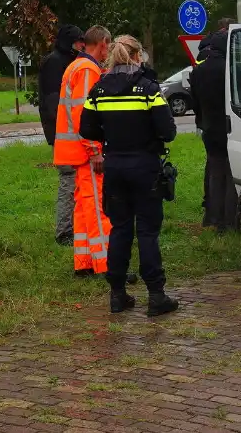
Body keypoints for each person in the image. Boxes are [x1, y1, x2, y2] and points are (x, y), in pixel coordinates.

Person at [80, 35, 179, 316]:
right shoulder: (148, 89)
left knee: (120, 230)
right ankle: (156, 296)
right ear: (137, 57)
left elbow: (87, 129)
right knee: (147, 232)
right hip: (145, 167)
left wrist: (111, 136)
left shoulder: (98, 90)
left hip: (114, 168)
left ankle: (118, 294)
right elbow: (168, 131)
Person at [54, 25, 112, 276]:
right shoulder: (88, 69)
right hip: (85, 151)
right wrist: (94, 150)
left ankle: (84, 262)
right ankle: (105, 265)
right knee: (97, 207)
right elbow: (83, 115)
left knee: (82, 207)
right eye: (107, 46)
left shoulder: (75, 66)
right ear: (103, 43)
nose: (108, 51)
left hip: (74, 151)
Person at [38, 24, 85, 245]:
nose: (81, 45)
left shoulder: (67, 61)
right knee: (68, 179)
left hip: (67, 131)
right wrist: (64, 130)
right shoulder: (55, 62)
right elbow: (53, 102)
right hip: (63, 133)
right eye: (78, 41)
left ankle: (73, 226)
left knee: (75, 180)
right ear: (69, 41)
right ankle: (64, 231)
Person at [190, 27, 239, 230]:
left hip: (209, 128)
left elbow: (194, 102)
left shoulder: (198, 70)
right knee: (231, 173)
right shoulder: (230, 68)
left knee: (215, 172)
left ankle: (213, 217)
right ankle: (230, 220)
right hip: (230, 126)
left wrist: (202, 122)